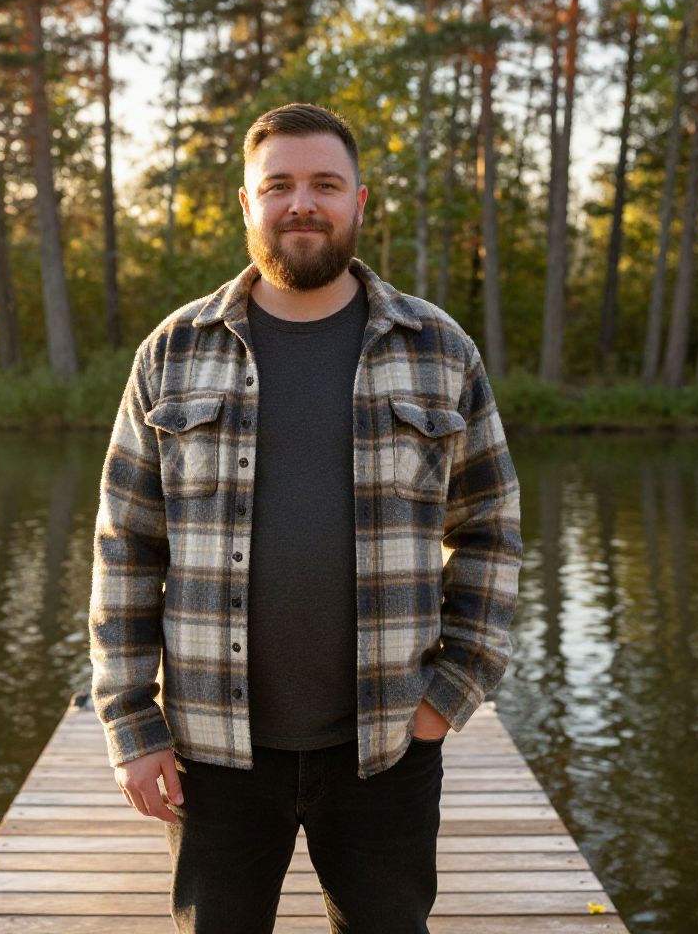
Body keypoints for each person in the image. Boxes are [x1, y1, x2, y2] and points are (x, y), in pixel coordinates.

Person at [89, 102, 522, 934]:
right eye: (279, 184)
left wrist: (451, 690)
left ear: (359, 202)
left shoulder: (439, 349)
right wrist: (129, 722)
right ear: (246, 204)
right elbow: (126, 547)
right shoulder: (173, 352)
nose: (302, 203)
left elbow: (490, 531)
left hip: (387, 743)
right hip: (211, 749)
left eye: (325, 184)